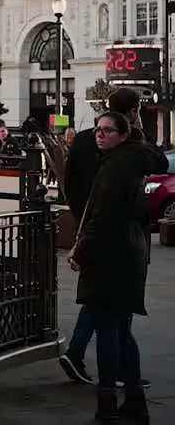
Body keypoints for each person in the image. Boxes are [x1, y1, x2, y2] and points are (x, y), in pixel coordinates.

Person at [71, 110, 164, 425]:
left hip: (110, 257)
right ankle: (136, 402)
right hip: (130, 254)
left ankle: (108, 402)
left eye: (108, 131)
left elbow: (101, 219)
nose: (100, 135)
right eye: (97, 130)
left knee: (108, 332)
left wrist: (81, 254)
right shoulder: (133, 161)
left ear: (123, 135)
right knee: (122, 331)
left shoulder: (115, 167)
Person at [59, 88, 156, 388]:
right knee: (115, 315)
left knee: (100, 303)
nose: (102, 136)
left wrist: (80, 218)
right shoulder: (128, 149)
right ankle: (118, 384)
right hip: (117, 236)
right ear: (132, 112)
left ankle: (88, 360)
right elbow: (156, 163)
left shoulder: (87, 141)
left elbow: (70, 183)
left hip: (93, 228)